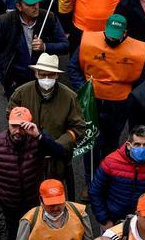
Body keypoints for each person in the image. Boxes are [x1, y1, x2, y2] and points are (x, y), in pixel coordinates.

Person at [0, 108, 69, 240]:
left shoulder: (38, 140)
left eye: (21, 126)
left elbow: (61, 153)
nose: (17, 131)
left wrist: (39, 136)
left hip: (32, 205)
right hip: (6, 206)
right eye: (14, 126)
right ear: (8, 124)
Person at [7, 54, 87, 194]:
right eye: (42, 75)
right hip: (27, 156)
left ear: (57, 76)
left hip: (56, 161)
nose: (46, 79)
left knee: (53, 195)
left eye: (50, 75)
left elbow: (78, 128)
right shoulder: (21, 93)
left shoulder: (69, 97)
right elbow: (11, 118)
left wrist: (57, 145)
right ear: (36, 73)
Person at [69, 15, 145, 159]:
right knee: (90, 141)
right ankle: (90, 178)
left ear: (125, 33)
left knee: (111, 142)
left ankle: (108, 173)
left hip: (119, 104)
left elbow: (141, 79)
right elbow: (73, 67)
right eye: (109, 35)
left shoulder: (137, 50)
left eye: (116, 36)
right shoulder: (88, 43)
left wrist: (132, 99)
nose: (111, 39)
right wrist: (84, 90)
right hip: (92, 102)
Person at [0, 0, 68, 96]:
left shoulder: (49, 18)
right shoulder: (5, 22)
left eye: (36, 2)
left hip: (43, 81)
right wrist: (4, 79)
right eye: (30, 4)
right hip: (16, 83)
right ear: (19, 6)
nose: (35, 7)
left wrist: (44, 46)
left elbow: (65, 46)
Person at [91, 128, 145, 228]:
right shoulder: (111, 162)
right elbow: (95, 191)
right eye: (137, 144)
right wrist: (104, 220)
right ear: (129, 145)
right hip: (113, 221)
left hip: (143, 223)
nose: (142, 148)